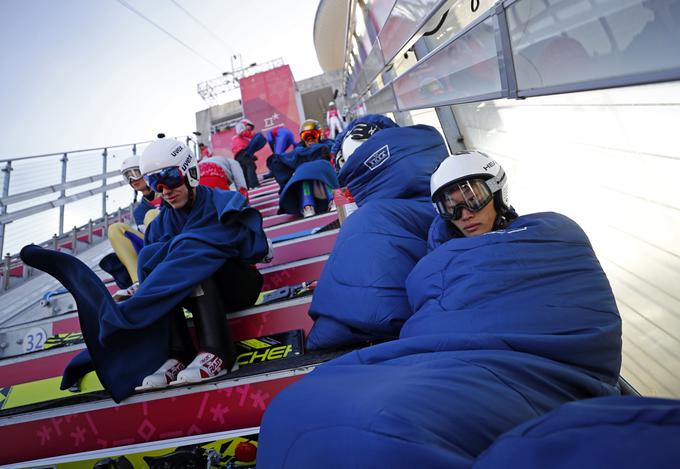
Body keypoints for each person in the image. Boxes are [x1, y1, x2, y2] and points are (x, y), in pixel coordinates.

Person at [257, 150, 622, 467]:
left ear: (497, 191)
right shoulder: (441, 254)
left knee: (389, 429)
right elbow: (429, 301)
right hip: (450, 357)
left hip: (533, 367)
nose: (464, 212)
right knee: (296, 404)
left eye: (472, 196)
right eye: (450, 205)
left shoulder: (551, 231)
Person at [20, 139, 272, 402]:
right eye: (155, 184)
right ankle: (179, 353)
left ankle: (219, 351)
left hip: (238, 287)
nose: (164, 190)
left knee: (192, 252)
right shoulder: (160, 224)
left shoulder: (223, 200)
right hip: (197, 295)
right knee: (156, 256)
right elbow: (156, 262)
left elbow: (251, 248)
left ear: (190, 172)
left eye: (170, 178)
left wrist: (190, 247)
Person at [105, 155, 161, 298]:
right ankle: (139, 281)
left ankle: (165, 265)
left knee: (152, 215)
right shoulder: (140, 211)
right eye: (127, 176)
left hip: (176, 239)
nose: (132, 179)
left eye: (135, 173)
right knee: (115, 228)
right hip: (154, 246)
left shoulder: (168, 188)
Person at [429, 149, 517, 238]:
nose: (465, 216)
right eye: (452, 207)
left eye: (472, 199)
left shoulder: (528, 233)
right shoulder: (442, 250)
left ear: (498, 194)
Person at [232, 118, 266, 189]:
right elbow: (241, 132)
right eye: (250, 127)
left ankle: (246, 186)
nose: (250, 130)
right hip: (241, 151)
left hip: (239, 154)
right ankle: (254, 185)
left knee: (245, 169)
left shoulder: (243, 137)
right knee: (250, 166)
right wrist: (253, 135)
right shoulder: (240, 126)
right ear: (246, 124)